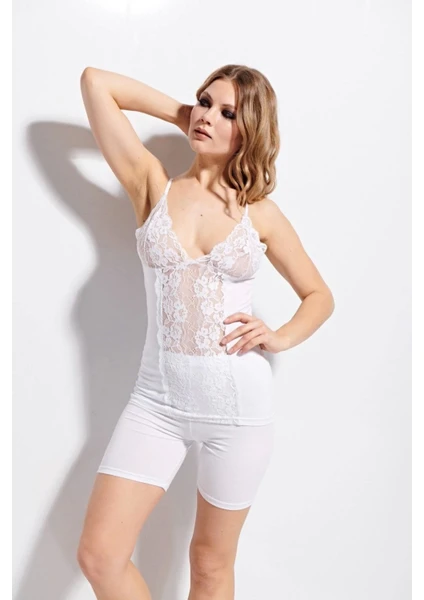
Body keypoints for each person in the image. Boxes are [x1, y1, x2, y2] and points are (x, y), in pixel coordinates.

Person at [76, 64, 335, 600]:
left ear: (250, 129)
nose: (207, 116)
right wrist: (184, 114)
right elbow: (96, 83)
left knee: (210, 564)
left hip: (237, 410)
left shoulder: (260, 214)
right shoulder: (151, 184)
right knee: (99, 556)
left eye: (228, 113)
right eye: (205, 101)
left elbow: (319, 295)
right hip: (155, 403)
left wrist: (279, 336)